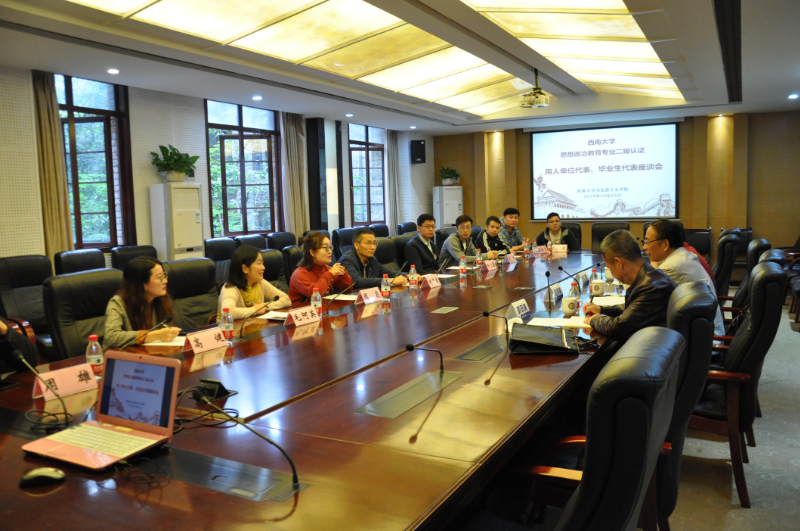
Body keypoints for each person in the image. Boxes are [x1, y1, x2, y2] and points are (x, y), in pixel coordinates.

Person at [582, 230, 676, 341]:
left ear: (619, 263)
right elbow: (632, 308)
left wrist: (594, 319)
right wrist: (602, 310)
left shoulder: (651, 287)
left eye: (610, 267)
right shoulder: (650, 275)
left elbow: (618, 328)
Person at [644, 220, 725, 337]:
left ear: (665, 244)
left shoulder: (673, 265)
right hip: (704, 332)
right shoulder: (684, 256)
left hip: (705, 341)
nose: (644, 247)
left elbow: (644, 292)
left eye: (648, 242)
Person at [104, 257, 182, 349]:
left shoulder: (160, 300)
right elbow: (111, 337)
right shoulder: (118, 303)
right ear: (141, 283)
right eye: (160, 277)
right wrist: (155, 335)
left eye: (164, 276)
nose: (165, 281)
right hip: (127, 356)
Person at [218, 246, 290, 321]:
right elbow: (228, 313)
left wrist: (265, 306)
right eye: (259, 263)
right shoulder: (230, 288)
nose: (263, 267)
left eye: (262, 263)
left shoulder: (260, 283)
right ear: (245, 268)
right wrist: (255, 309)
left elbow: (286, 300)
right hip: (232, 328)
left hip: (256, 325)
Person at [289, 231, 353, 304]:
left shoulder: (327, 269)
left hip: (322, 308)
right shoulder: (299, 274)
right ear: (312, 252)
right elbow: (315, 294)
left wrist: (343, 274)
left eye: (330, 247)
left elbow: (348, 289)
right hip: (302, 310)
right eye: (326, 248)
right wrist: (329, 274)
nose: (330, 251)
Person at [339, 228, 408, 289]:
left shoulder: (372, 259)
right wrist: (389, 280)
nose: (373, 247)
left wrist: (407, 275)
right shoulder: (347, 261)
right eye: (368, 243)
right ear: (356, 245)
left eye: (374, 243)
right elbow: (357, 282)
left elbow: (388, 273)